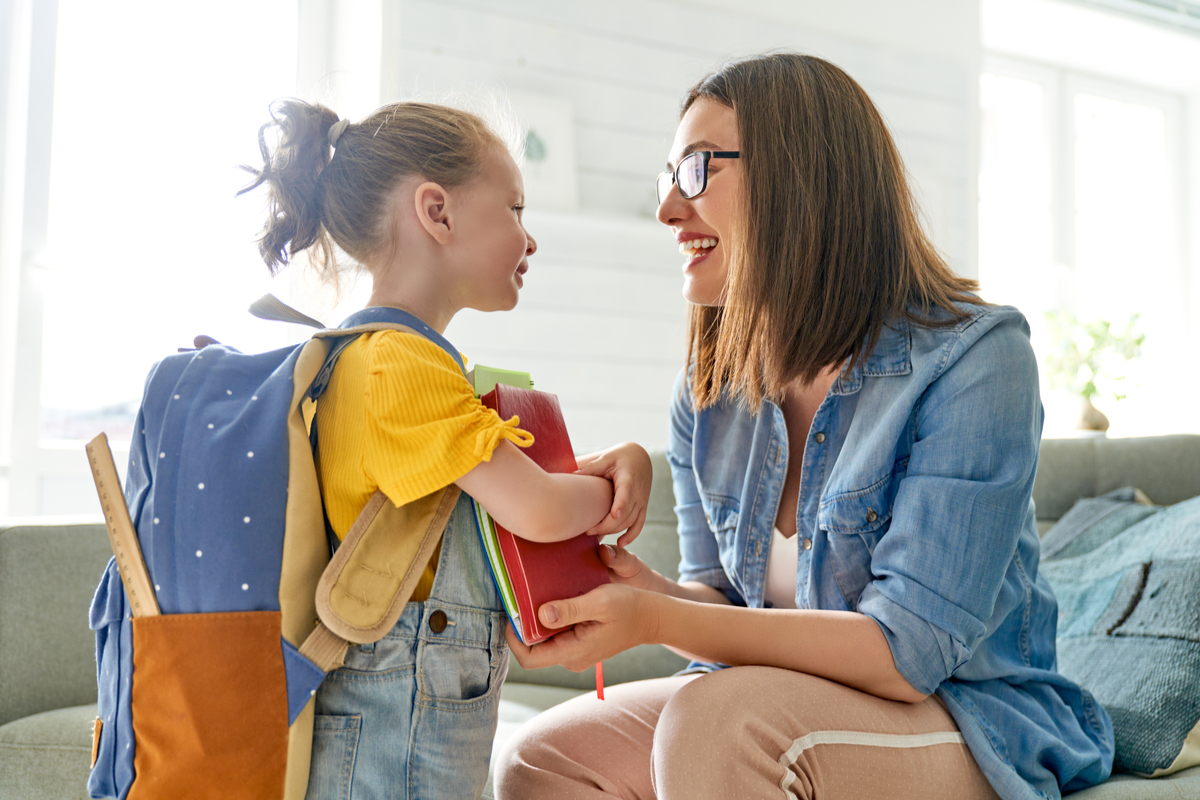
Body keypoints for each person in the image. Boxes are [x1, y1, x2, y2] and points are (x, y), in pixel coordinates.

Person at [494, 54, 1115, 800]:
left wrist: (654, 617)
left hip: (968, 716)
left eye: (696, 171)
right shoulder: (708, 392)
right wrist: (632, 585)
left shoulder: (975, 360)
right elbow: (724, 603)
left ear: (801, 177)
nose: (667, 209)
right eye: (667, 177)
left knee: (717, 723)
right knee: (541, 757)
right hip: (781, 700)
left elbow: (906, 649)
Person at [240, 98, 653, 800]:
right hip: (395, 709)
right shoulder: (400, 367)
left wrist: (605, 469)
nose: (529, 238)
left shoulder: (387, 363)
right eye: (515, 209)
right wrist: (619, 484)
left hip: (406, 698)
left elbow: (499, 492)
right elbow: (540, 510)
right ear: (437, 212)